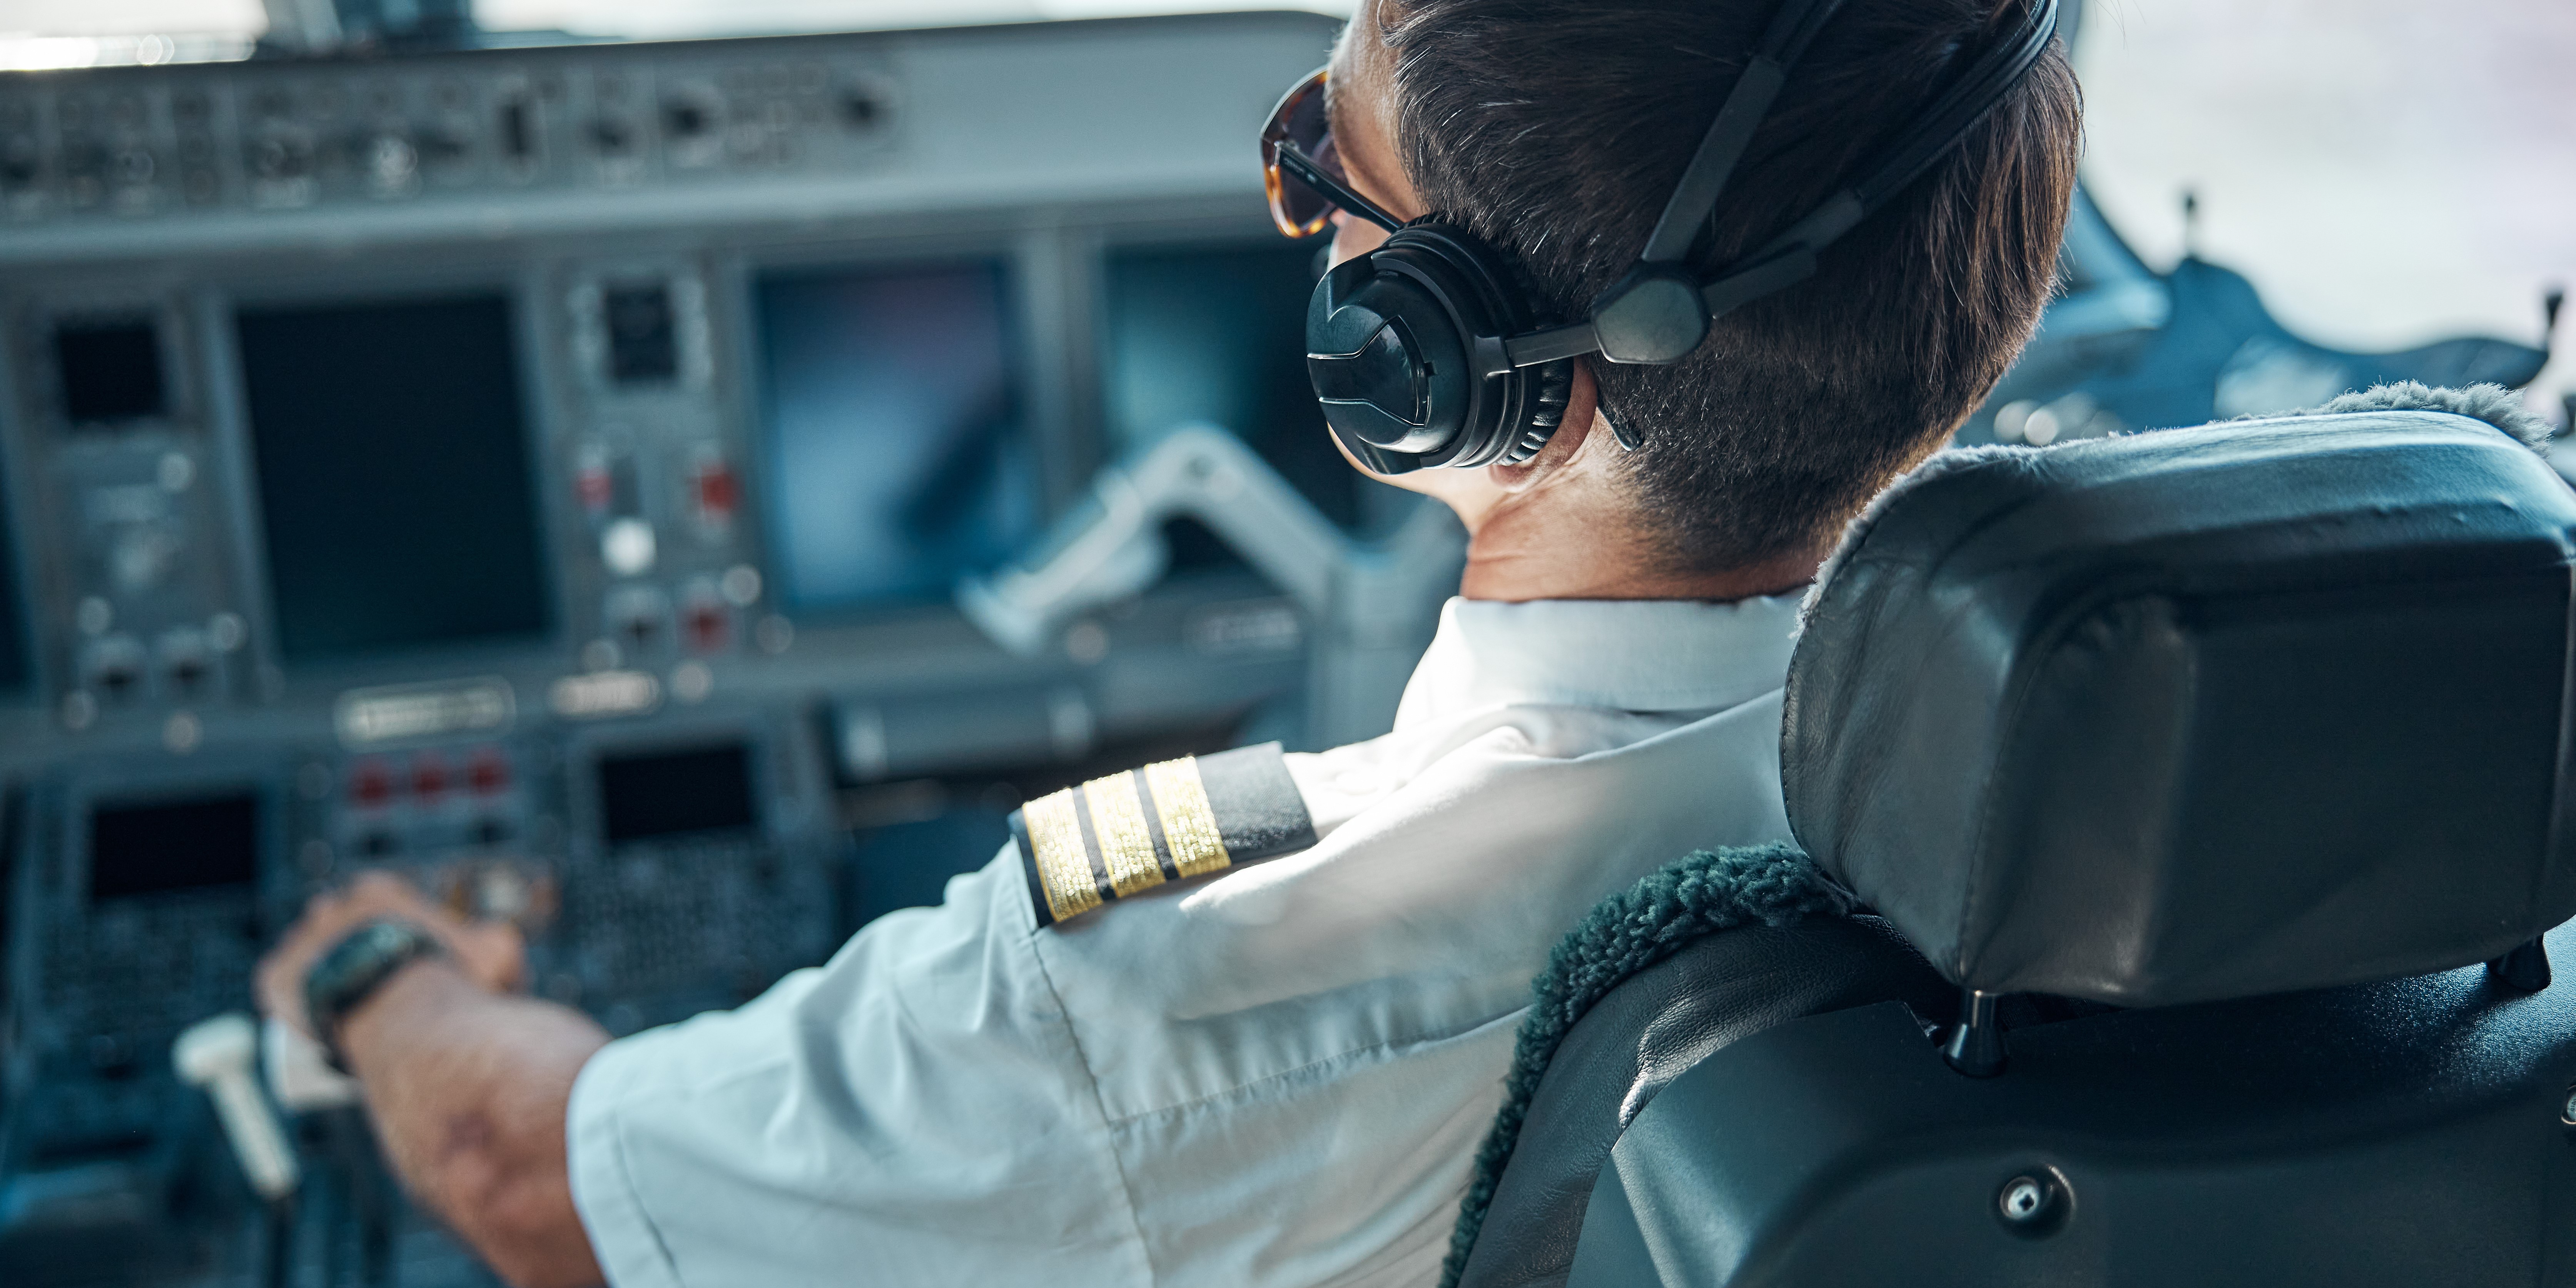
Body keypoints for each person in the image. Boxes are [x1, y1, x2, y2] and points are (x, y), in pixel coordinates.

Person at [254, 1, 2082, 1283]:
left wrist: (385, 977)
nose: (1303, 208)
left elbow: (533, 1182)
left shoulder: (1176, 994)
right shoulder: (2146, 786)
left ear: (1441, 367)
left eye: (1322, 162)